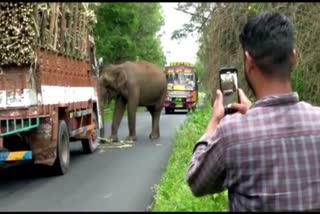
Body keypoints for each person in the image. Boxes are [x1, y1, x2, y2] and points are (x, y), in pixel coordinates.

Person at [186, 12, 320, 212]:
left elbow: (197, 182)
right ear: (294, 57)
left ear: (249, 62)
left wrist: (214, 123)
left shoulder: (231, 134)